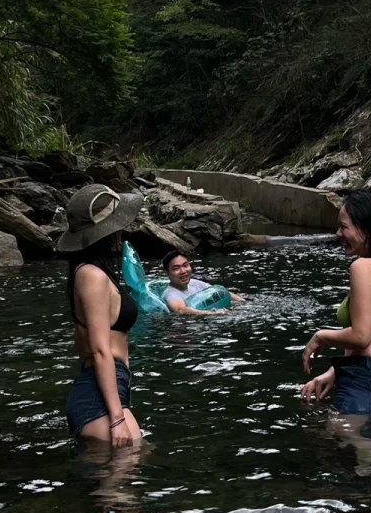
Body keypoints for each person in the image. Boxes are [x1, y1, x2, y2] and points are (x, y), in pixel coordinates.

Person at [299, 190, 371, 414]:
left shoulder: (362, 267)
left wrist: (320, 335)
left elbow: (362, 337)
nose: (338, 233)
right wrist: (334, 373)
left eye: (344, 227)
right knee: (363, 444)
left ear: (368, 230)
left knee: (342, 441)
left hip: (363, 385)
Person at [58, 184, 145, 448]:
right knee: (121, 477)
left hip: (109, 388)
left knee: (124, 475)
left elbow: (79, 341)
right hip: (99, 394)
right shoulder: (92, 275)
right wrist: (117, 419)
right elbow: (97, 350)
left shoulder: (91, 272)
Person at [160, 249, 243, 314]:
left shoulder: (194, 283)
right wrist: (211, 313)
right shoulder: (170, 293)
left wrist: (243, 303)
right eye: (176, 268)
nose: (183, 271)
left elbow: (218, 292)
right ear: (167, 273)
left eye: (185, 265)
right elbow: (180, 310)